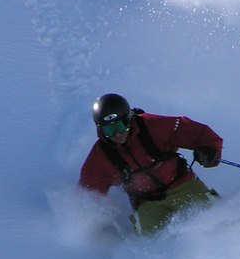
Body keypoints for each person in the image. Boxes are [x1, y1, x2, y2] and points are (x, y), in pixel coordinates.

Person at [79, 93, 223, 234]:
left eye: (121, 126)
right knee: (150, 241)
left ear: (129, 119)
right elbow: (89, 191)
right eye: (109, 129)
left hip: (181, 185)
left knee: (214, 218)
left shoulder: (152, 126)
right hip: (146, 202)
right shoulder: (101, 156)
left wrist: (209, 151)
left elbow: (196, 132)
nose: (117, 134)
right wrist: (91, 221)